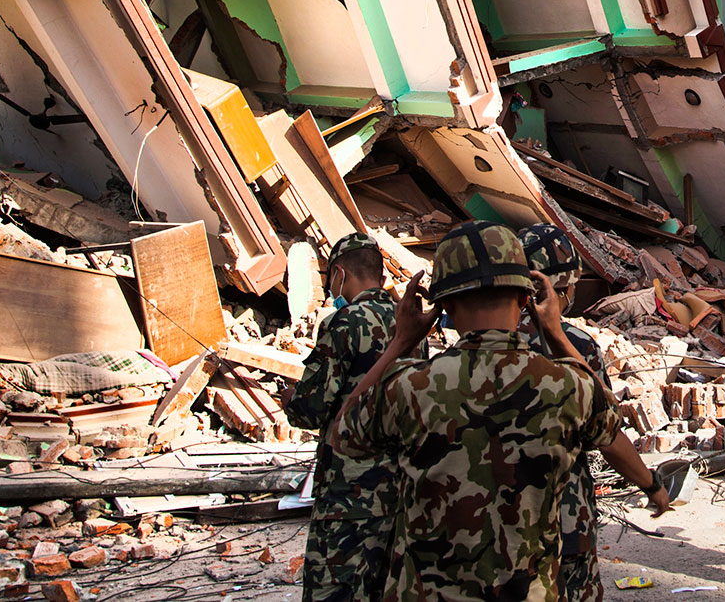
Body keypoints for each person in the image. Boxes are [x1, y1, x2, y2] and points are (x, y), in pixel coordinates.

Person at [333, 222, 669, 601]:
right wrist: (557, 334)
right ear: (528, 298)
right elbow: (609, 418)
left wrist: (401, 342)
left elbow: (342, 432)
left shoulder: (410, 386)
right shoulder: (568, 385)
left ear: (442, 305)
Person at [284, 234, 404, 602]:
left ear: (339, 274)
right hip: (398, 487)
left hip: (348, 491)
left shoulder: (345, 322)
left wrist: (291, 400)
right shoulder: (407, 323)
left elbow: (311, 408)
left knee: (333, 589)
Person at [517, 223, 615, 602]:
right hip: (566, 511)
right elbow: (606, 421)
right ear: (565, 288)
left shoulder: (487, 340)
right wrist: (652, 486)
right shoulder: (578, 346)